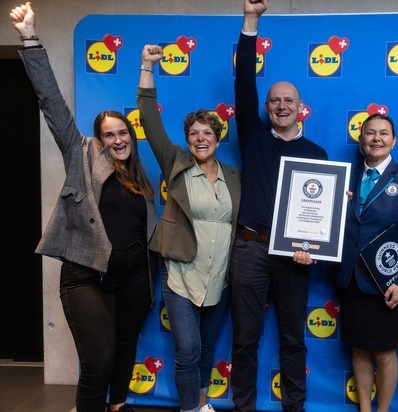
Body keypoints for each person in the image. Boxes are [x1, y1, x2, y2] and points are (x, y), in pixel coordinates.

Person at [9, 3, 157, 412]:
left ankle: (118, 405)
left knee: (125, 348)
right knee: (98, 361)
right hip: (88, 277)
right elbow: (51, 103)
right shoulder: (81, 155)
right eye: (109, 135)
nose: (118, 139)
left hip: (134, 278)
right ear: (98, 140)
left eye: (123, 132)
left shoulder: (140, 176)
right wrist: (30, 37)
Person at [230, 1, 328, 411]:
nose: (282, 106)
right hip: (250, 250)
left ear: (300, 107)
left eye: (288, 100)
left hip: (293, 256)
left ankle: (295, 407)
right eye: (274, 101)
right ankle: (244, 407)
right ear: (266, 108)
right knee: (244, 338)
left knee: (293, 339)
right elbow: (243, 82)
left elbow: (321, 217)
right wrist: (251, 22)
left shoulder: (317, 155)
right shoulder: (254, 137)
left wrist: (314, 248)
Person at [136, 44, 241, 412]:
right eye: (194, 133)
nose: (200, 138)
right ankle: (190, 409)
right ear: (187, 139)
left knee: (208, 346)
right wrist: (147, 67)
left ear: (217, 138)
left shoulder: (234, 176)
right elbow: (148, 119)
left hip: (220, 276)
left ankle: (201, 402)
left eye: (207, 133)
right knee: (188, 349)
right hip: (181, 273)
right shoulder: (176, 163)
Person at [336, 113, 398, 412]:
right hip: (352, 279)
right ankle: (365, 409)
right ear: (360, 140)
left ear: (394, 141)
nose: (376, 138)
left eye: (383, 133)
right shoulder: (345, 177)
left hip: (388, 283)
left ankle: (383, 410)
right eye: (370, 133)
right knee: (359, 349)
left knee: (385, 353)